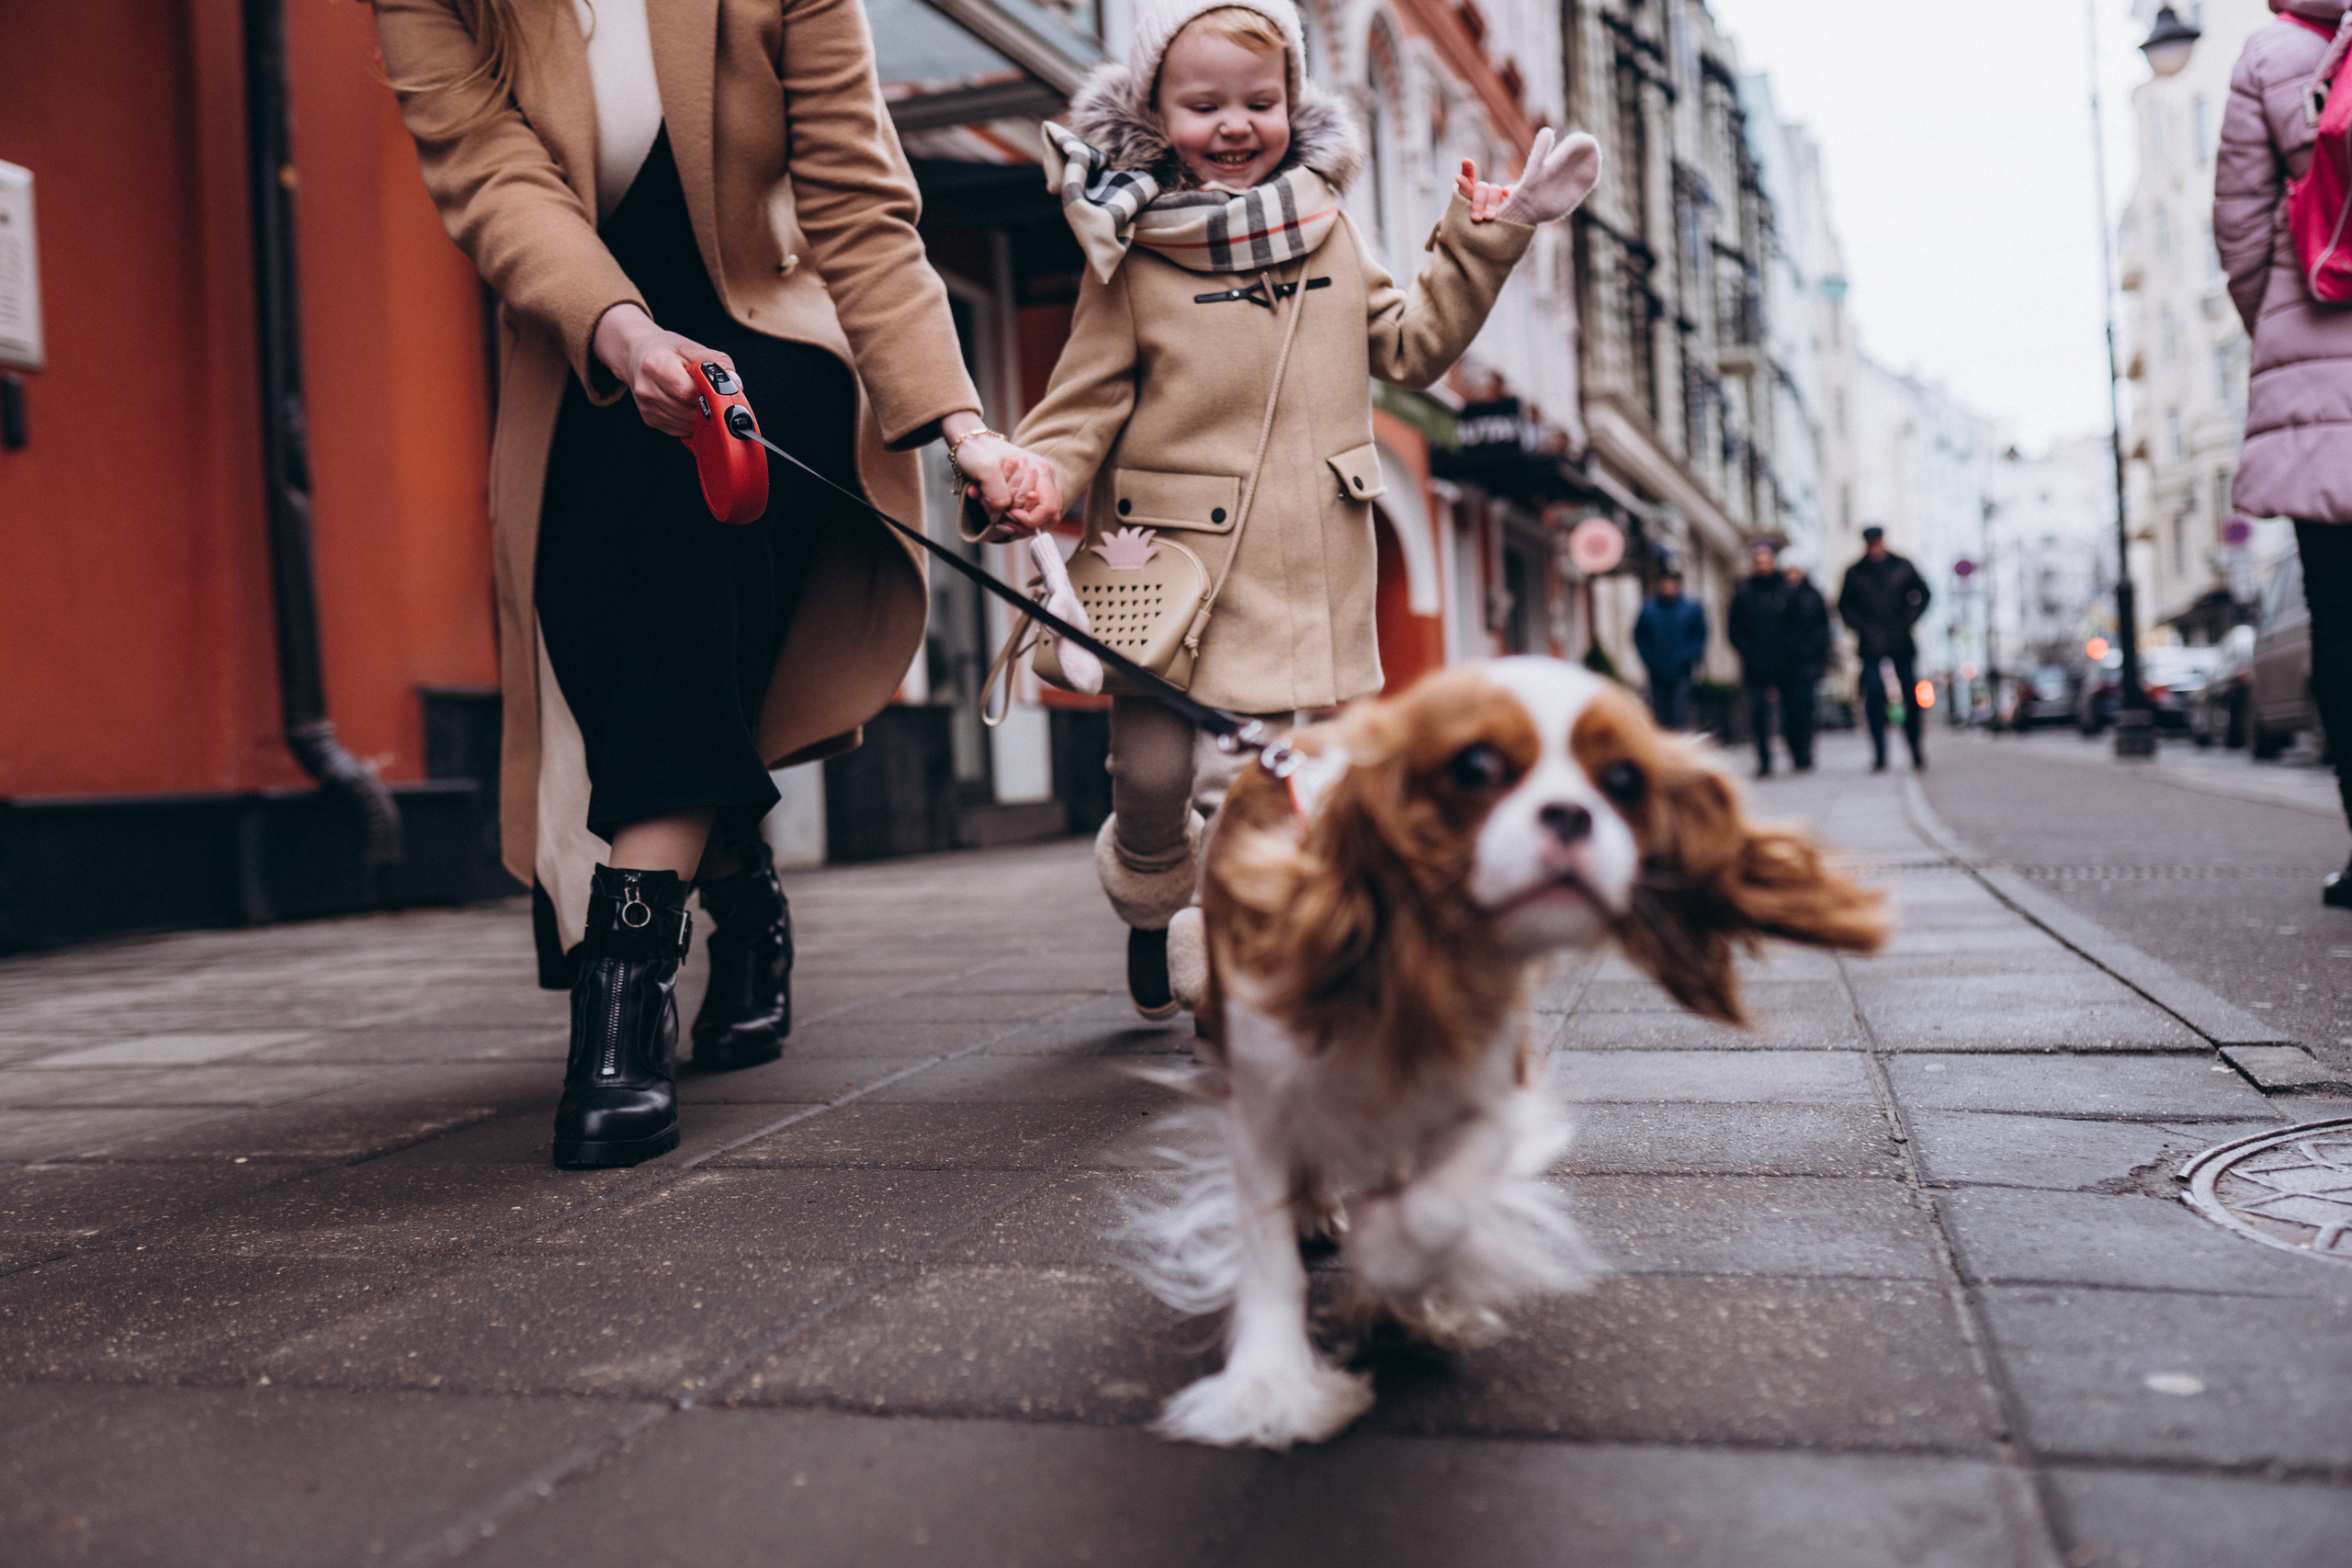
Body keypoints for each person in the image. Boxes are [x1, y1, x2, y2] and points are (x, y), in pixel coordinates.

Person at [373, 0, 1047, 1168]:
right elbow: (493, 179)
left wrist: (960, 429)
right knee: (620, 580)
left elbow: (856, 199)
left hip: (766, 340)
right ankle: (742, 891)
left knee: (692, 490)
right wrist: (628, 339)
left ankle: (625, 981)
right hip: (586, 354)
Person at [998, 0, 1601, 1016]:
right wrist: (1037, 477)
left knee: (1243, 788)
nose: (1235, 125)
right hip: (1167, 569)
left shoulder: (1327, 231)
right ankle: (1154, 901)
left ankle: (1227, 953)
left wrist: (1495, 232)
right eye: (1204, 105)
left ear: (1292, 105)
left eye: (1259, 101)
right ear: (1156, 112)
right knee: (1147, 780)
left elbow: (1410, 346)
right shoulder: (1132, 250)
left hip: (1290, 557)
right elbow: (1081, 402)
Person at [2215, 0, 2352, 908]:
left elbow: (2237, 232)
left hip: (2313, 381)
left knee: (2337, 621)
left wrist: (2275, 322)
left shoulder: (2268, 52)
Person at [1838, 525, 1932, 773]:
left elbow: (1924, 594)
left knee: (1911, 696)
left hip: (1900, 641)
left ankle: (1915, 747)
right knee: (1874, 695)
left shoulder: (1902, 566)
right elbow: (1844, 605)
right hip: (1870, 643)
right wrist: (1861, 627)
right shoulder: (1855, 572)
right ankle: (1880, 754)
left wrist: (1907, 620)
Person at [1728, 540, 1810, 777]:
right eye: (1758, 561)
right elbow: (1735, 629)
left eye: (1766, 560)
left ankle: (1798, 754)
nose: (1762, 565)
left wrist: (1791, 651)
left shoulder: (1788, 591)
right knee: (1759, 713)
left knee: (1792, 712)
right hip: (1756, 664)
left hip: (1787, 663)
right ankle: (1764, 759)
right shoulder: (1743, 593)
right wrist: (1750, 652)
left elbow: (1800, 626)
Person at [1634, 569, 1709, 729]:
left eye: (1671, 583)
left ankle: (1679, 746)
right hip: (1657, 671)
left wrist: (1688, 658)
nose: (1667, 586)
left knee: (1680, 711)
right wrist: (1650, 660)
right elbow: (1639, 637)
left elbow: (1700, 636)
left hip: (1682, 670)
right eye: (1664, 583)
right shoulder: (1649, 610)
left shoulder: (1691, 608)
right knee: (1660, 713)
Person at [1782, 551, 1831, 770]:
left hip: (1809, 661)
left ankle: (1806, 750)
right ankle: (1795, 750)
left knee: (1806, 706)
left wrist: (1822, 657)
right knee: (1789, 710)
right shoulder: (1779, 596)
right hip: (1785, 664)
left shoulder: (1813, 597)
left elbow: (1823, 629)